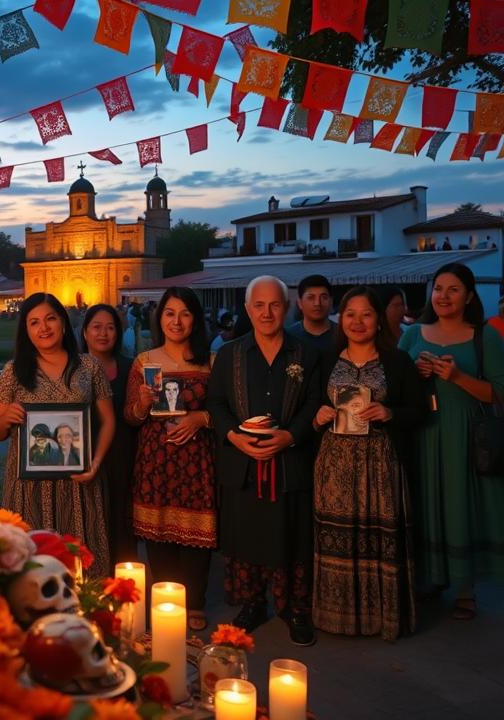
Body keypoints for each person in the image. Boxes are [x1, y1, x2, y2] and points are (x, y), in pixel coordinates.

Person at [207, 275, 322, 645]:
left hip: (290, 463)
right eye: (259, 305)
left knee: (293, 537)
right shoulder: (230, 354)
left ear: (287, 307)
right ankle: (252, 604)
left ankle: (295, 609)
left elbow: (316, 404)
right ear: (247, 309)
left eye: (274, 304)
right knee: (246, 537)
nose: (267, 312)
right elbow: (216, 404)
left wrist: (291, 436)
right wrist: (233, 436)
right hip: (243, 463)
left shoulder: (307, 353)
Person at [312, 286, 425, 641]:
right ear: (340, 320)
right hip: (334, 464)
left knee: (380, 540)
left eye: (366, 314)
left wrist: (390, 412)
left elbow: (419, 411)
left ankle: (383, 618)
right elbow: (307, 412)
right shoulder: (325, 361)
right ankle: (336, 616)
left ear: (378, 321)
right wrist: (318, 416)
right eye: (350, 314)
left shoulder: (396, 361)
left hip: (380, 464)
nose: (357, 322)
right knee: (336, 538)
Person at [399, 263, 504, 619]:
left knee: (460, 504)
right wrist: (415, 373)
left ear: (469, 296)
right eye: (439, 288)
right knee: (425, 503)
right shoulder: (413, 335)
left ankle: (464, 587)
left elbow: (498, 393)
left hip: (464, 434)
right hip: (422, 433)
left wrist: (457, 376)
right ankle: (431, 579)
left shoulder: (483, 336)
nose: (443, 296)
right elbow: (393, 385)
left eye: (453, 290)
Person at [0, 292, 116, 574]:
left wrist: (95, 463)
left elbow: (108, 421)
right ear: (26, 330)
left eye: (50, 319)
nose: (43, 328)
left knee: (83, 563)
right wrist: (5, 418)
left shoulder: (89, 367)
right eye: (34, 322)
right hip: (28, 487)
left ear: (63, 323)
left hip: (81, 480)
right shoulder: (13, 372)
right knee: (31, 566)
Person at [125, 287, 216, 631]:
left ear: (195, 319)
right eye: (169, 313)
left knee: (197, 529)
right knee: (158, 528)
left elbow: (225, 410)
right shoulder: (145, 361)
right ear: (159, 317)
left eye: (185, 313)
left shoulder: (210, 362)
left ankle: (194, 602)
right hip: (155, 456)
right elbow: (131, 418)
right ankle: (167, 596)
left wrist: (201, 418)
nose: (176, 321)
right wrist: (143, 404)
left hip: (196, 457)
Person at [81, 304, 137, 564]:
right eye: (97, 327)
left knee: (121, 522)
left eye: (110, 327)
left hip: (123, 457)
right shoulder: (73, 370)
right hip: (84, 457)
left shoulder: (131, 368)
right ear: (84, 333)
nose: (103, 333)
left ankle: (124, 584)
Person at [288, 274, 337, 353]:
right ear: (300, 303)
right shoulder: (287, 337)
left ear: (331, 302)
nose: (317, 303)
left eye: (323, 297)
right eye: (311, 298)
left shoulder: (344, 335)